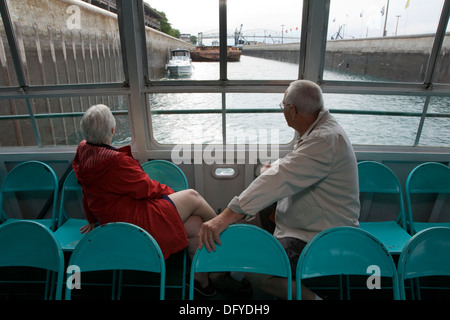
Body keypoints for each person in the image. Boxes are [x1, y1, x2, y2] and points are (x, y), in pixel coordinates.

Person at [198, 80, 360, 300]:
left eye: (282, 105)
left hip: (320, 236)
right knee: (266, 210)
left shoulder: (325, 139)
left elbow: (281, 177)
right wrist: (274, 168)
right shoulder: (320, 132)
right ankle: (256, 269)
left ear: (292, 110)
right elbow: (294, 167)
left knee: (253, 269)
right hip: (312, 222)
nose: (282, 109)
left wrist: (224, 218)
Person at [73, 104, 217, 296]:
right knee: (192, 196)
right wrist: (172, 194)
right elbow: (146, 188)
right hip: (134, 220)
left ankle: (201, 280)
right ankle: (227, 236)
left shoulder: (83, 151)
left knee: (195, 225)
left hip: (113, 219)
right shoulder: (116, 162)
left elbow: (87, 189)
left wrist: (92, 219)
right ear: (113, 130)